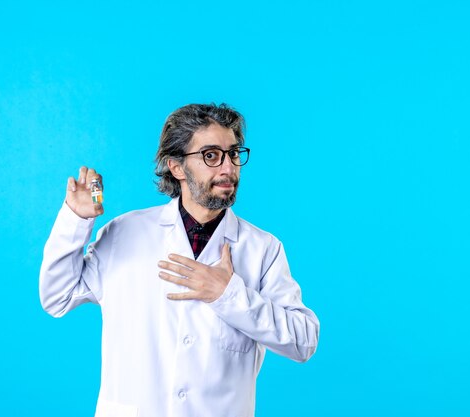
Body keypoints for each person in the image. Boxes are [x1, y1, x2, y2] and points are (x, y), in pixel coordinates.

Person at [39, 103, 320, 417]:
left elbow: (303, 340)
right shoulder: (125, 233)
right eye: (211, 156)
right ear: (175, 166)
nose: (228, 168)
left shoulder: (263, 248)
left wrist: (229, 295)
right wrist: (76, 219)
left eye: (234, 154)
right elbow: (57, 297)